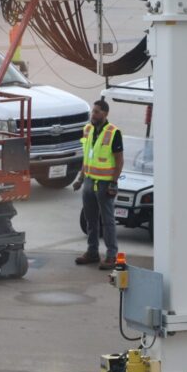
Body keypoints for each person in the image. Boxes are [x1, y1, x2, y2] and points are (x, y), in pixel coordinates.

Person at [73, 99, 124, 270]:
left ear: (105, 114)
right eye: (92, 111)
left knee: (107, 221)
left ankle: (111, 255)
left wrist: (113, 183)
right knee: (90, 219)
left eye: (96, 112)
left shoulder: (113, 133)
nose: (93, 115)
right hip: (89, 181)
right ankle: (92, 251)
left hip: (104, 183)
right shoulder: (87, 130)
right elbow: (87, 157)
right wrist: (80, 179)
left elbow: (119, 160)